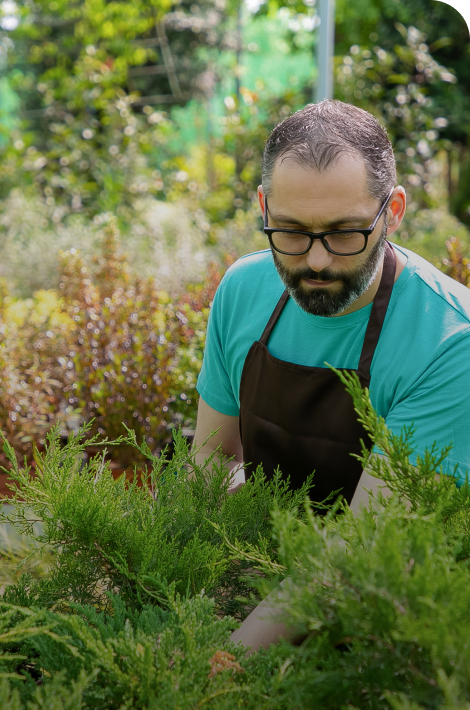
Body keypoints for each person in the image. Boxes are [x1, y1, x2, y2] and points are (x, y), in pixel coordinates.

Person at [193, 99, 470, 652]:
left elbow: (362, 552)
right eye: (291, 231)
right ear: (264, 206)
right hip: (269, 590)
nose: (316, 261)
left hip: (396, 624)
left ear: (392, 212)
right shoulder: (243, 289)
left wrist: (223, 665)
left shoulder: (450, 343)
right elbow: (214, 462)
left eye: (345, 233)